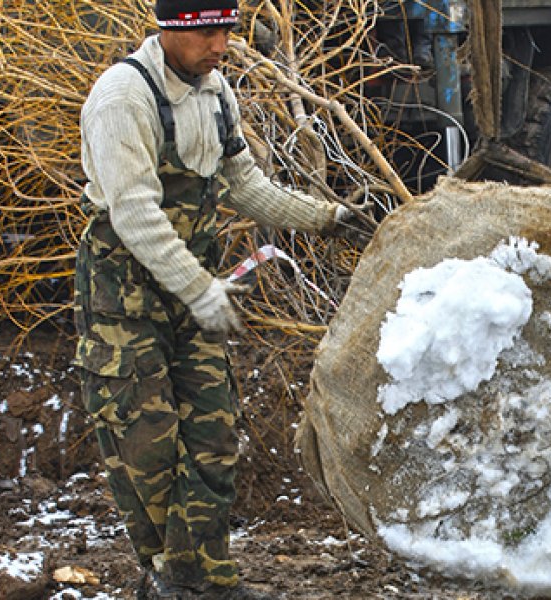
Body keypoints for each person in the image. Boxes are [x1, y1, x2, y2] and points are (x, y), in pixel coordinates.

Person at [74, 0, 352, 597]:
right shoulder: (125, 97)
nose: (222, 45)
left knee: (213, 438)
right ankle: (165, 577)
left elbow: (243, 183)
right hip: (126, 303)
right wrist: (201, 290)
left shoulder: (215, 92)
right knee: (144, 444)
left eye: (226, 30)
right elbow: (136, 216)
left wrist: (324, 218)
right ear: (171, 29)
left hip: (192, 294)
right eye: (207, 33)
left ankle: (205, 578)